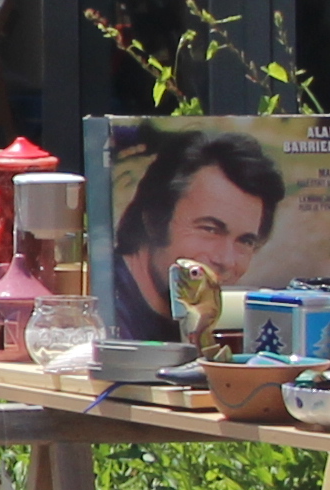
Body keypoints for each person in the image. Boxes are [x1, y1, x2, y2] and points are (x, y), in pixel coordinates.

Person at [110, 132, 291, 345]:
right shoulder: (105, 311)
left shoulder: (215, 323)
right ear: (154, 218)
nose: (226, 260)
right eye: (210, 229)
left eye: (245, 241)